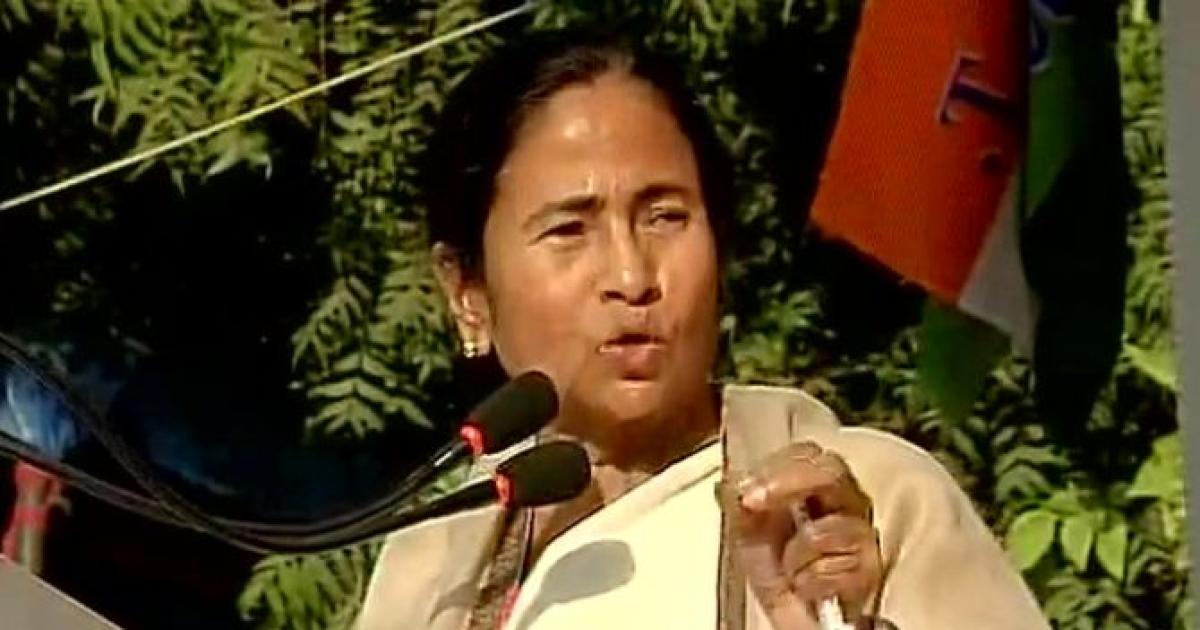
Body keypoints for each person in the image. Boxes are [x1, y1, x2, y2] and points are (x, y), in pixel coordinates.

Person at [356, 32, 1049, 630]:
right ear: (467, 292)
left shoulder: (866, 505)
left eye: (665, 217)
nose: (631, 276)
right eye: (569, 230)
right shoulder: (431, 566)